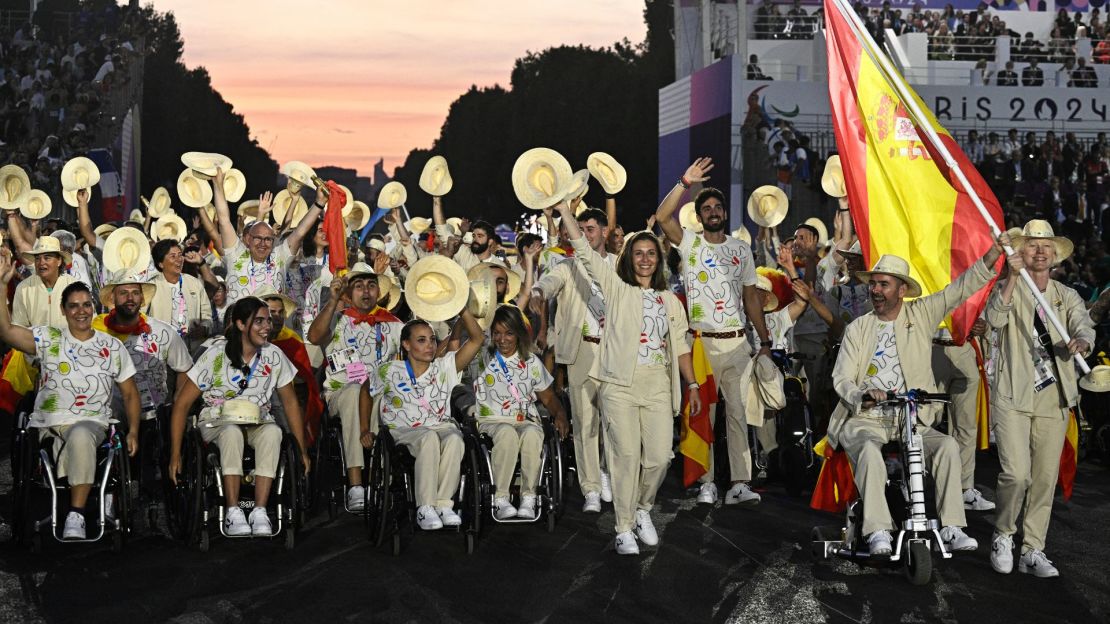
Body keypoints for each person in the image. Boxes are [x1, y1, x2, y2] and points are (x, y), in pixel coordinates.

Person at [828, 236, 1007, 557]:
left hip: (912, 421)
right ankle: (878, 529)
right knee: (868, 451)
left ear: (901, 290)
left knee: (948, 446)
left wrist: (993, 254)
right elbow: (840, 378)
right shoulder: (857, 328)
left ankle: (952, 526)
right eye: (874, 284)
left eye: (884, 284)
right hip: (865, 419)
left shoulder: (921, 314)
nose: (876, 290)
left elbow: (960, 289)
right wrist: (862, 396)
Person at [556, 198, 700, 555]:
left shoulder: (669, 300)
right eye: (639, 253)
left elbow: (681, 346)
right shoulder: (616, 288)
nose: (646, 258)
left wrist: (693, 384)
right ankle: (622, 527)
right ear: (628, 258)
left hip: (657, 385)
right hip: (618, 384)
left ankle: (642, 509)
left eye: (651, 253)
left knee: (659, 458)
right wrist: (563, 211)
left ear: (659, 259)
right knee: (624, 456)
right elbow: (584, 253)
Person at [654, 157, 772, 507]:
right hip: (701, 343)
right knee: (704, 414)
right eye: (706, 208)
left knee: (738, 414)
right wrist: (684, 181)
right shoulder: (690, 245)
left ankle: (739, 482)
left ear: (724, 212)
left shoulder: (740, 249)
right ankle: (706, 482)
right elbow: (662, 218)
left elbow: (751, 297)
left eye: (718, 207)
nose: (713, 212)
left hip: (737, 342)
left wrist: (764, 341)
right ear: (700, 216)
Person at [0, 258, 141, 541]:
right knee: (71, 435)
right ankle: (77, 503)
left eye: (86, 305)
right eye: (74, 306)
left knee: (79, 434)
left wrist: (134, 431)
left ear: (94, 307)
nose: (81, 311)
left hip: (92, 422)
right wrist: (3, 284)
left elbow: (129, 393)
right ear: (64, 311)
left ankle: (75, 513)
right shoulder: (48, 337)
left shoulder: (110, 346)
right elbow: (7, 332)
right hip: (50, 423)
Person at [985, 220, 1094, 578]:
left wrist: (1083, 341)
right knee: (1016, 474)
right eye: (1033, 245)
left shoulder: (1067, 295)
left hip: (1054, 396)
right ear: (1022, 251)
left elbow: (1083, 324)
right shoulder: (1006, 287)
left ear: (1055, 255)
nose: (1041, 251)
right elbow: (994, 320)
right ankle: (1003, 535)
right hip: (1013, 391)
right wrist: (1013, 277)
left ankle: (1033, 549)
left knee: (1044, 477)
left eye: (1046, 246)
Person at [168, 297, 311, 537]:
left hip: (257, 420)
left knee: (274, 432)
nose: (268, 326)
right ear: (241, 325)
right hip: (217, 420)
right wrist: (175, 454)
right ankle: (233, 510)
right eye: (259, 321)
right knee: (232, 432)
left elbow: (290, 403)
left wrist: (302, 450)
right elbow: (182, 404)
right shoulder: (215, 355)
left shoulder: (273, 355)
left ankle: (259, 510)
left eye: (268, 320)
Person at [531, 205, 618, 513]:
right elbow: (547, 284)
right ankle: (591, 487)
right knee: (585, 422)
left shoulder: (621, 266)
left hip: (614, 353)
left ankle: (607, 472)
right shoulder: (567, 266)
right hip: (582, 352)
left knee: (615, 421)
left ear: (605, 232)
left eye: (590, 230)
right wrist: (538, 292)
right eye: (579, 231)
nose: (582, 236)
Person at [371, 309, 485, 530]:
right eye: (421, 340)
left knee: (454, 438)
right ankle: (425, 507)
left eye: (432, 339)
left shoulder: (444, 367)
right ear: (406, 345)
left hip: (439, 425)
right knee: (430, 438)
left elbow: (477, 338)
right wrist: (366, 429)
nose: (430, 345)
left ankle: (443, 504)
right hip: (403, 429)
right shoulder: (389, 370)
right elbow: (366, 391)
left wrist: (462, 310)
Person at [307, 262, 402, 511]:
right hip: (343, 392)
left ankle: (382, 474)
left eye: (371, 285)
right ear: (349, 293)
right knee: (352, 393)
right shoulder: (337, 320)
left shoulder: (393, 324)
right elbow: (314, 337)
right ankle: (356, 484)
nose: (366, 291)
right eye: (359, 286)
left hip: (380, 393)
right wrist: (333, 300)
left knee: (388, 397)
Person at [474, 305, 569, 520]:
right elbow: (456, 347)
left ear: (518, 333)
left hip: (525, 418)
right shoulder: (483, 358)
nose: (502, 339)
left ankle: (529, 496)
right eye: (497, 332)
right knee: (507, 433)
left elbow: (548, 397)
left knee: (533, 433)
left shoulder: (531, 362)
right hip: (493, 420)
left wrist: (560, 414)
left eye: (508, 333)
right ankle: (500, 498)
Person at [94, 269, 192, 429]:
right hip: (112, 418)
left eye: (135, 293)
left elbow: (185, 368)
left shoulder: (163, 332)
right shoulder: (97, 333)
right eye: (123, 293)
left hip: (154, 418)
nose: (130, 298)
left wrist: (178, 405)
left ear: (142, 298)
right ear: (112, 297)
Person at [212, 168, 323, 306]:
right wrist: (217, 185)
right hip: (239, 326)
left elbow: (300, 232)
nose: (262, 243)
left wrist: (319, 203)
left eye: (268, 239)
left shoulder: (279, 257)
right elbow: (224, 220)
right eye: (258, 238)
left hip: (270, 325)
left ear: (273, 241)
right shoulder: (235, 254)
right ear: (247, 239)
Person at [147, 238, 212, 350]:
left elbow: (207, 316)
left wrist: (204, 328)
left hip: (193, 349)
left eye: (180, 255)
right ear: (161, 264)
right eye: (173, 256)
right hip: (162, 350)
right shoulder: (151, 287)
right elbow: (142, 320)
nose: (179, 260)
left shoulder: (194, 283)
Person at [12, 235, 77, 328]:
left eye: (47, 258)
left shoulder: (74, 287)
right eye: (37, 258)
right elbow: (19, 326)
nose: (41, 262)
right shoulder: (24, 288)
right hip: (33, 342)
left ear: (59, 261)